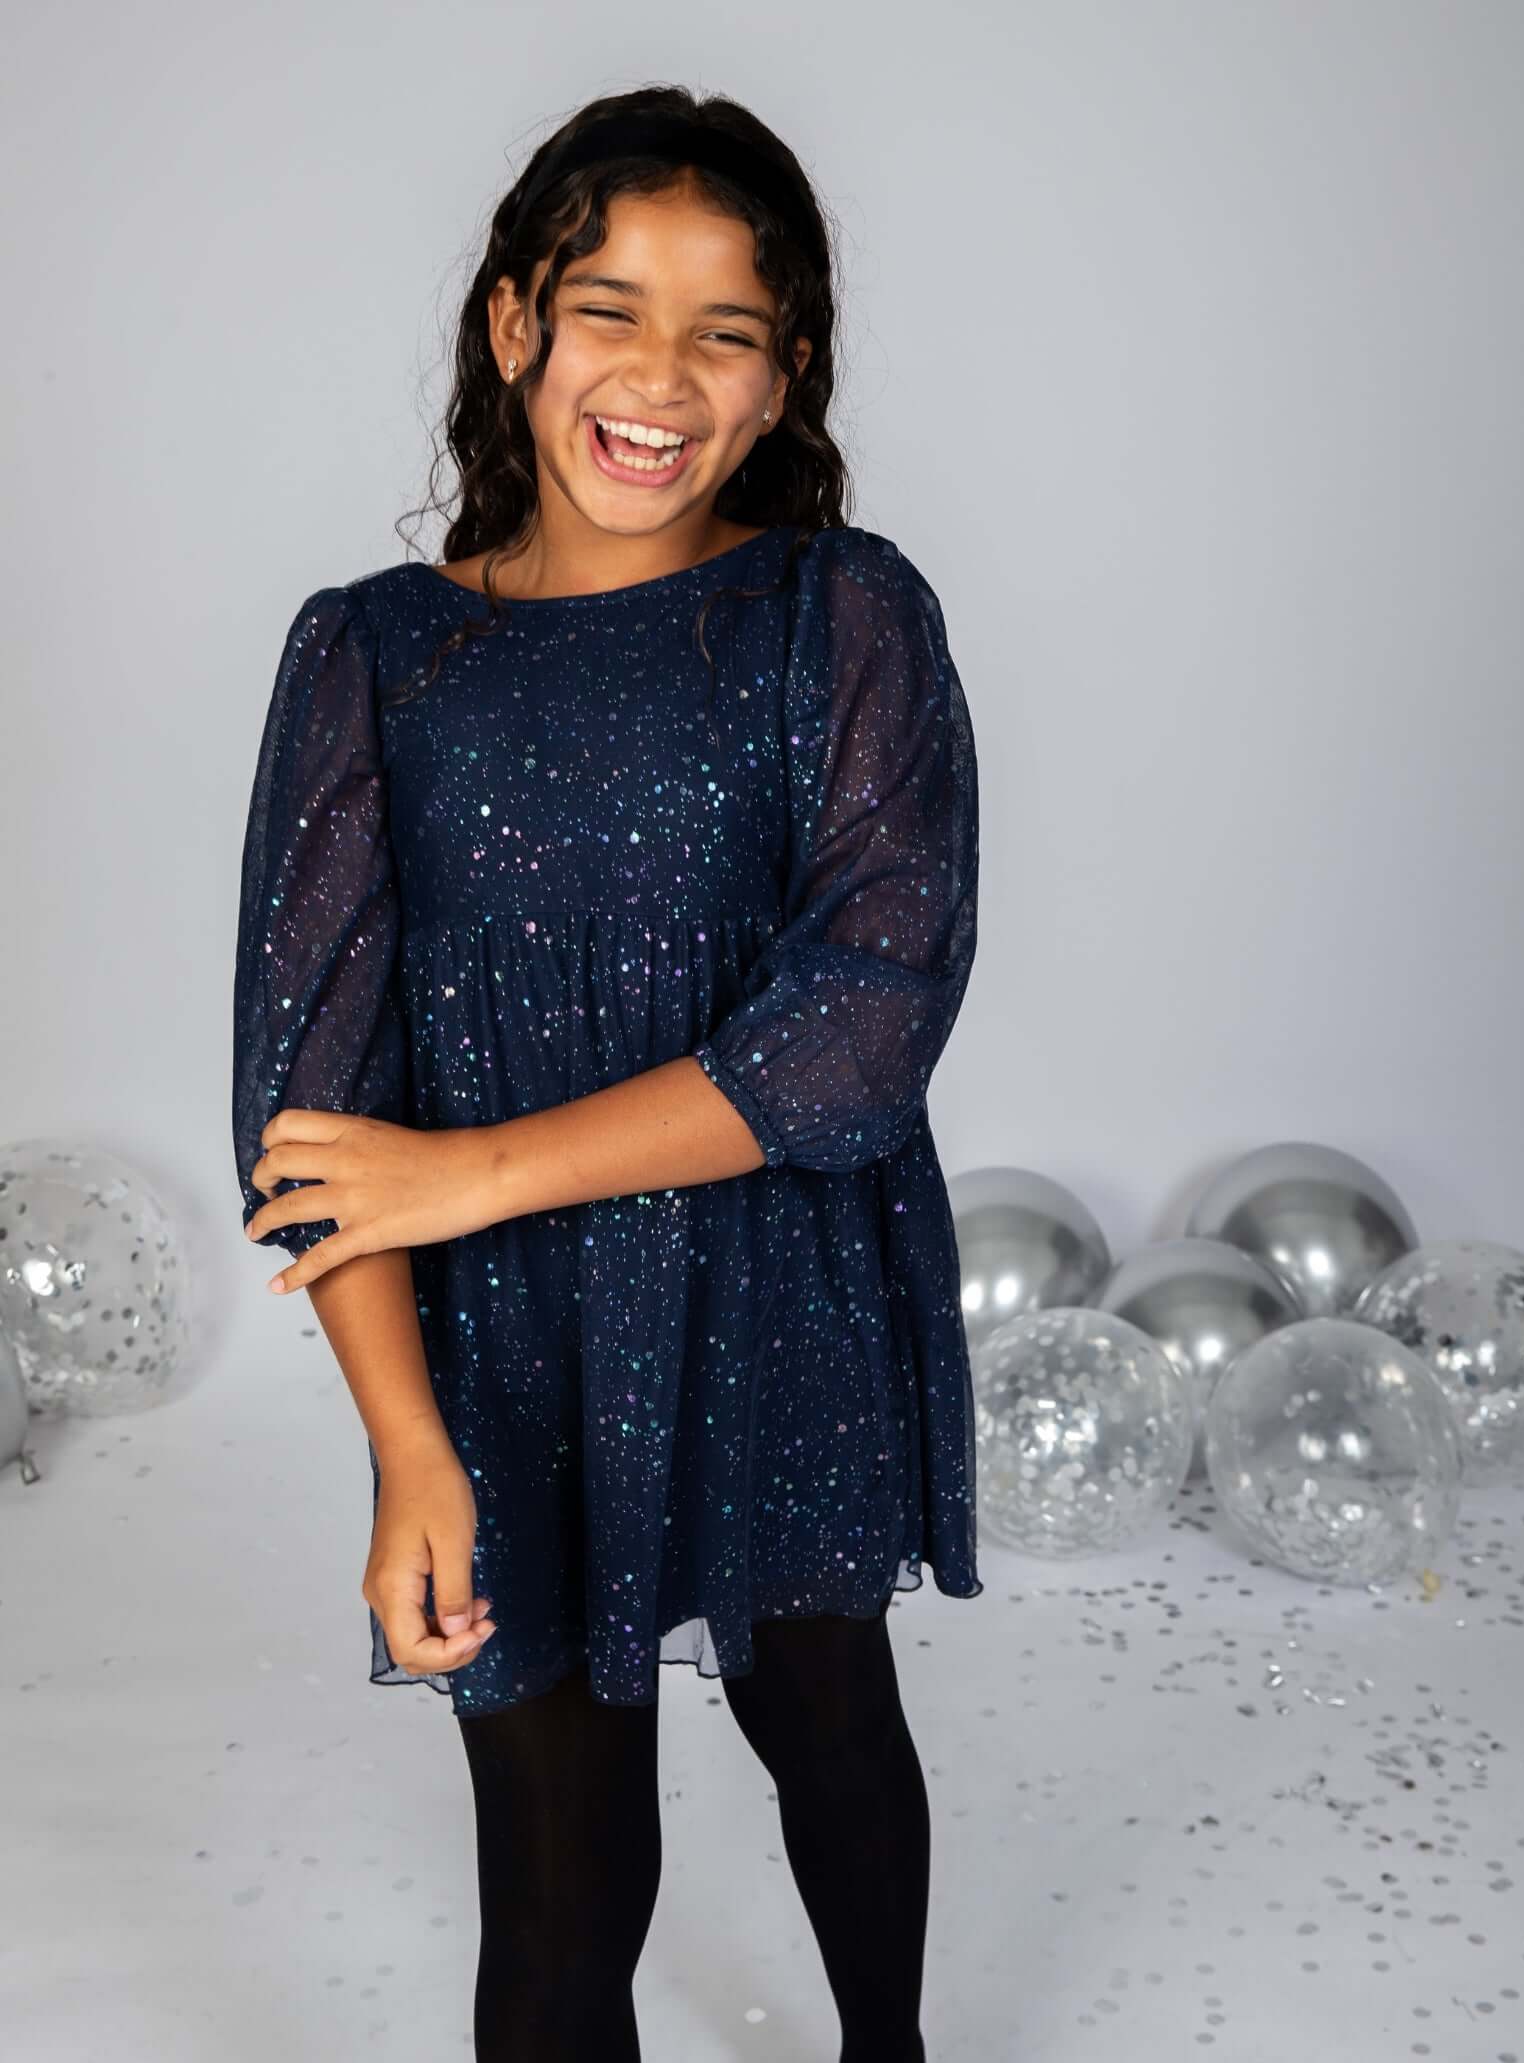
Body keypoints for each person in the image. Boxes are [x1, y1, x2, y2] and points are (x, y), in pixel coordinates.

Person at [231, 83, 982, 2063]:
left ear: (784, 375)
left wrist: (471, 1169)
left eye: (725, 332)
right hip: (505, 1352)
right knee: (559, 1879)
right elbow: (310, 1122)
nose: (659, 377)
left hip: (782, 1302)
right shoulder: (375, 659)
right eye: (608, 311)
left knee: (827, 1715)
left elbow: (865, 1021)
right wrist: (407, 1445)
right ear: (512, 326)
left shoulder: (840, 616)